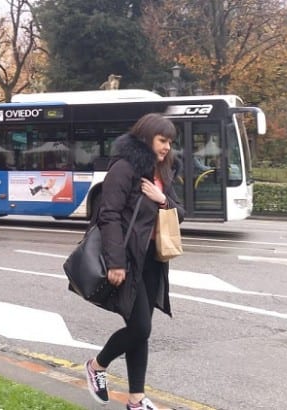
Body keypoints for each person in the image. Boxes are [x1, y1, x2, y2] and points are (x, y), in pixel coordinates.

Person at [83, 113, 184, 410]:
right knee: (140, 328)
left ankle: (136, 400)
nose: (167, 147)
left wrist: (161, 198)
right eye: (162, 140)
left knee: (141, 329)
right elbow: (108, 215)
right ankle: (96, 366)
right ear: (147, 136)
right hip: (128, 261)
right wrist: (116, 263)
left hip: (153, 260)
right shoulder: (124, 168)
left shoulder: (162, 172)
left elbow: (181, 213)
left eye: (170, 142)